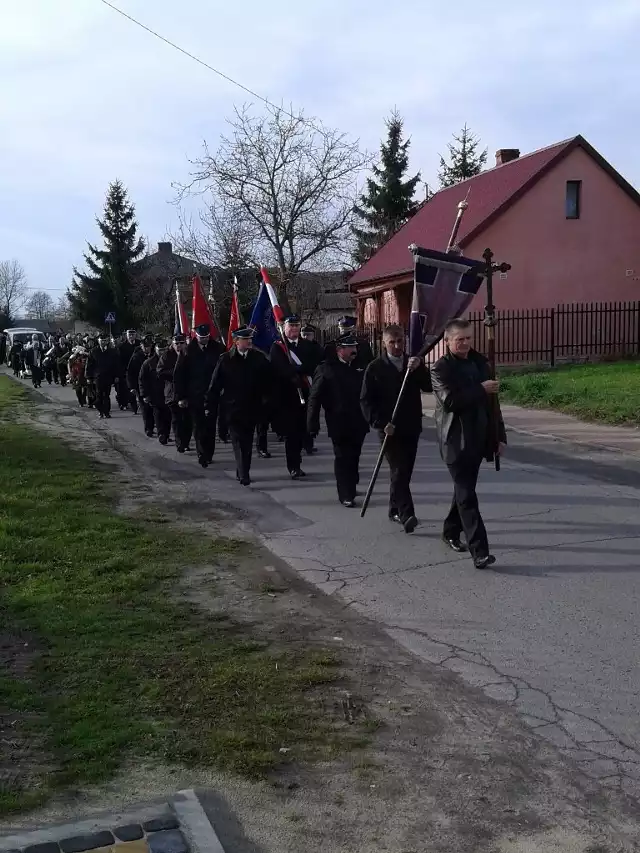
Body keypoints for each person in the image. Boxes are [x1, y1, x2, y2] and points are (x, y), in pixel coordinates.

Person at [430, 318, 506, 570]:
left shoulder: (480, 363)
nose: (464, 343)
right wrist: (481, 389)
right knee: (467, 496)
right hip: (455, 441)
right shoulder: (440, 368)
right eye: (459, 339)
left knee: (463, 491)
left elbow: (493, 404)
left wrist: (499, 436)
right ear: (448, 341)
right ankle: (479, 551)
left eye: (468, 338)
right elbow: (450, 401)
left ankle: (450, 530)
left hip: (479, 438)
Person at [360, 324, 431, 533]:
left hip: (411, 426)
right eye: (392, 342)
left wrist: (419, 368)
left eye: (400, 341)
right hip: (389, 429)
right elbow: (365, 400)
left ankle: (394, 509)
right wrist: (380, 423)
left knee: (404, 472)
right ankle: (407, 514)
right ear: (384, 343)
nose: (397, 345)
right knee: (398, 470)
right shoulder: (375, 368)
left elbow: (428, 386)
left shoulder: (412, 364)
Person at [307, 334, 369, 507]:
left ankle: (351, 484)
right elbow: (314, 397)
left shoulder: (361, 367)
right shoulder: (327, 369)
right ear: (340, 350)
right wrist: (312, 423)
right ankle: (345, 494)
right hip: (338, 422)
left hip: (359, 421)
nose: (354, 350)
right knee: (342, 458)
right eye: (350, 348)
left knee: (354, 456)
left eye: (355, 347)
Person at [206, 326, 272, 485]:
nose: (249, 341)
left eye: (250, 339)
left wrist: (267, 400)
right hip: (232, 409)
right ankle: (244, 474)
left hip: (252, 407)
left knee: (247, 442)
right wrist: (209, 405)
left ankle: (242, 470)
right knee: (238, 441)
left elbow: (269, 381)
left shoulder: (258, 358)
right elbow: (215, 386)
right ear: (236, 341)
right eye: (245, 339)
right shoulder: (226, 359)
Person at [269, 315, 317, 479]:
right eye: (291, 326)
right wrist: (293, 374)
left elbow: (313, 364)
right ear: (284, 328)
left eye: (297, 326)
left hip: (306, 393)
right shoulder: (278, 347)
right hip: (287, 396)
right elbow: (279, 368)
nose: (294, 329)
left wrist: (300, 370)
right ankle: (294, 466)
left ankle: (300, 458)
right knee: (292, 433)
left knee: (304, 430)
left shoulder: (307, 346)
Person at [173, 323, 225, 468]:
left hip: (213, 394)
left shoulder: (218, 349)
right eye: (201, 337)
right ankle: (201, 454)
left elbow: (225, 370)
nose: (204, 340)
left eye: (206, 337)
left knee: (210, 426)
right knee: (198, 425)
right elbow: (179, 375)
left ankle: (209, 453)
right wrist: (181, 397)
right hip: (194, 395)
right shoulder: (188, 351)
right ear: (196, 336)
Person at [157, 333, 192, 453]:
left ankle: (186, 442)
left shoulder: (190, 355)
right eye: (176, 343)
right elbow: (160, 371)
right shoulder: (167, 355)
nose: (179, 346)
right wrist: (175, 373)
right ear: (172, 344)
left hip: (187, 392)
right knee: (177, 420)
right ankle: (180, 443)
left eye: (181, 343)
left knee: (187, 420)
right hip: (172, 393)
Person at [139, 337, 170, 443]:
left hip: (169, 393)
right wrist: (145, 394)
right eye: (160, 350)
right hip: (155, 394)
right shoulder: (148, 363)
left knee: (168, 416)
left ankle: (166, 433)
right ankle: (161, 433)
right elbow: (142, 380)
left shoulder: (171, 361)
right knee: (158, 414)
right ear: (155, 349)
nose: (162, 352)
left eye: (164, 349)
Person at [86, 333, 119, 418]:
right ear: (98, 341)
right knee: (99, 395)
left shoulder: (112, 351)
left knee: (107, 395)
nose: (103, 342)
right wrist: (89, 377)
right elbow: (89, 365)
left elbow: (116, 365)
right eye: (101, 340)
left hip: (108, 376)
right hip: (98, 377)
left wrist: (116, 376)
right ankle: (100, 411)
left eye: (105, 340)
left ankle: (107, 412)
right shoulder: (94, 351)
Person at [127, 335, 153, 422]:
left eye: (148, 346)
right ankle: (148, 427)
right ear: (141, 346)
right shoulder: (136, 357)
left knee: (155, 407)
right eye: (144, 346)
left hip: (154, 385)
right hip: (140, 385)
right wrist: (132, 387)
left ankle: (155, 424)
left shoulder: (154, 356)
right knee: (145, 408)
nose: (146, 348)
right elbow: (130, 372)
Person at [116, 330, 139, 410]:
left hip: (138, 369)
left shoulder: (139, 344)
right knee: (126, 388)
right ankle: (125, 404)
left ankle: (138, 404)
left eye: (133, 334)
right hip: (126, 370)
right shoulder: (121, 346)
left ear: (135, 335)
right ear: (127, 335)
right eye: (130, 335)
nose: (131, 336)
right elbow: (119, 360)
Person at [67, 342, 90, 407]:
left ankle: (83, 399)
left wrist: (84, 353)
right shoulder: (73, 357)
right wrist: (70, 374)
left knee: (86, 389)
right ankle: (81, 402)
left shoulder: (86, 356)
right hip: (76, 375)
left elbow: (90, 357)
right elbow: (69, 364)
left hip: (84, 374)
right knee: (78, 390)